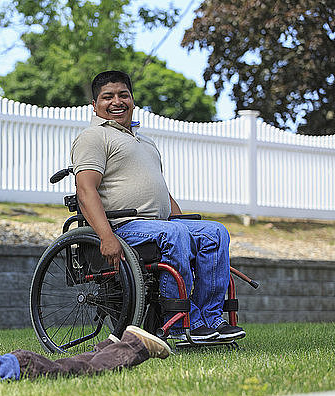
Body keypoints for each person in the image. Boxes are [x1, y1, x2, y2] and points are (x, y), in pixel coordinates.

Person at [70, 70, 245, 342]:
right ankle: (182, 322)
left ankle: (211, 320)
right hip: (124, 226)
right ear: (95, 106)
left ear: (132, 100)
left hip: (159, 225)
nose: (117, 101)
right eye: (107, 97)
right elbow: (85, 190)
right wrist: (106, 237)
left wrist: (188, 226)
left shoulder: (145, 141)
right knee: (175, 234)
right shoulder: (94, 137)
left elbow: (161, 191)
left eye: (123, 95)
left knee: (215, 232)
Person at [0, 288, 171, 388]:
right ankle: (109, 346)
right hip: (20, 363)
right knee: (72, 363)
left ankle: (135, 345)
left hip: (27, 371)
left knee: (85, 371)